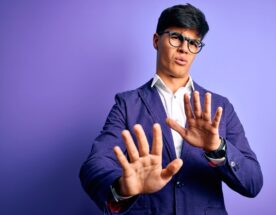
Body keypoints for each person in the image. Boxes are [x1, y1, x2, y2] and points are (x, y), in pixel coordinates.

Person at [79, 3, 263, 215]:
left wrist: (218, 148)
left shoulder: (220, 107)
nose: (185, 48)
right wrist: (122, 187)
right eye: (176, 37)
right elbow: (94, 165)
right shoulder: (127, 104)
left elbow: (253, 182)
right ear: (156, 41)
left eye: (194, 42)